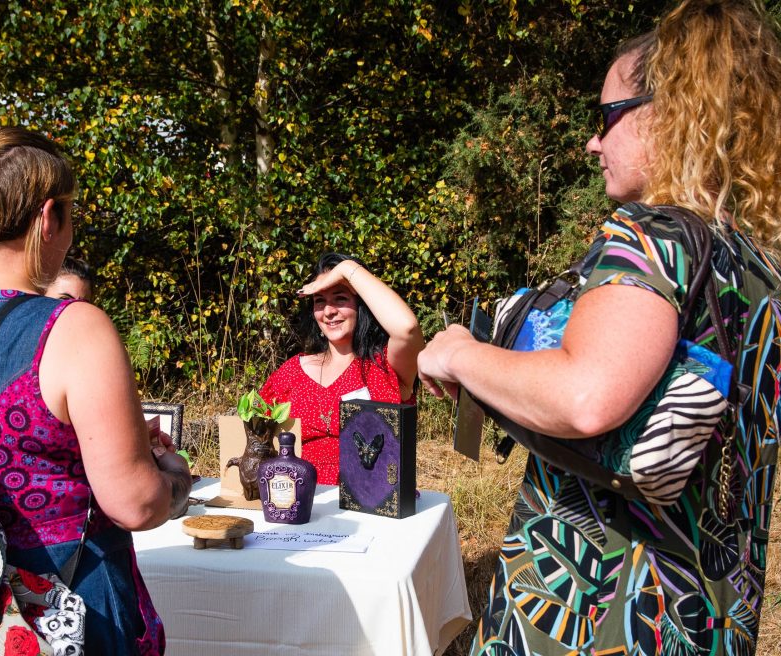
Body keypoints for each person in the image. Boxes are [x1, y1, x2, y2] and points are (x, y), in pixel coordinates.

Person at [418, 1, 781, 653]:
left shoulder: (653, 236)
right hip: (709, 617)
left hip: (600, 616)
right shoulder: (759, 267)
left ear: (669, 114)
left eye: (608, 116)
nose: (593, 142)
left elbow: (586, 395)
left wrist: (458, 353)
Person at [0, 126, 191, 655]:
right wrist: (174, 476)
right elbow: (136, 504)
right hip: (62, 615)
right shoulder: (73, 328)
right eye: (71, 217)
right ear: (48, 217)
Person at [260, 252, 424, 485]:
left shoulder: (385, 366)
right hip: (300, 499)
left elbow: (407, 329)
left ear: (361, 305)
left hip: (368, 499)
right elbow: (255, 435)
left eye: (340, 299)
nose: (329, 311)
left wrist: (347, 269)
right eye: (319, 301)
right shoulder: (291, 372)